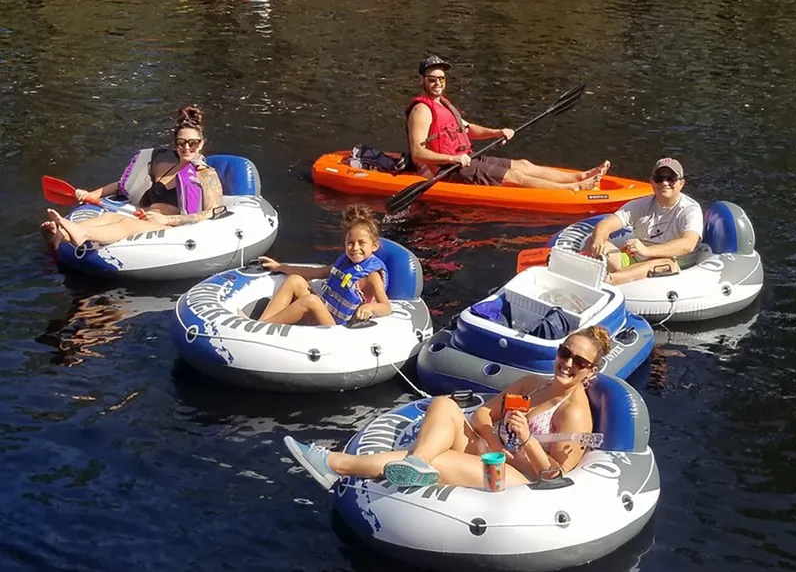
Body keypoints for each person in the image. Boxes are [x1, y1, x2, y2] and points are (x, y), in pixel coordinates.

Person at [284, 325, 612, 489]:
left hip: (516, 475)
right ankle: (419, 462)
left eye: (579, 361)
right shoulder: (532, 383)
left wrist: (525, 439)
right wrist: (494, 441)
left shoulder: (574, 412)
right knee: (443, 404)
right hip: (490, 450)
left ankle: (338, 465)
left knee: (443, 457)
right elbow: (485, 412)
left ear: (591, 371)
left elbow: (556, 476)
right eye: (564, 352)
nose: (567, 363)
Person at [406, 55, 610, 191]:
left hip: (464, 160)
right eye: (432, 79)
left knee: (523, 164)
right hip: (446, 170)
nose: (438, 83)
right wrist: (454, 159)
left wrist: (497, 132)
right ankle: (572, 189)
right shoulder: (421, 110)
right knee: (514, 176)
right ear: (421, 80)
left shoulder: (443, 104)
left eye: (442, 79)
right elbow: (418, 153)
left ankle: (578, 177)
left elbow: (467, 129)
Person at [39, 105, 224, 249]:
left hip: (174, 230)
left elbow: (213, 212)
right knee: (110, 217)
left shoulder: (206, 175)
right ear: (176, 144)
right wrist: (91, 194)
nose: (187, 147)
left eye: (193, 143)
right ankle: (61, 235)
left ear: (201, 144)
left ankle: (81, 234)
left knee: (126, 223)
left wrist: (166, 220)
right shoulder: (166, 166)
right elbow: (122, 186)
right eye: (181, 142)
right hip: (146, 218)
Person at [253, 204, 391, 326]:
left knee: (311, 301)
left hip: (339, 328)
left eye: (361, 243)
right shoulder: (345, 263)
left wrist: (370, 308)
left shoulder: (372, 276)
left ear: (374, 246)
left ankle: (260, 328)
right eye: (350, 242)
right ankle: (261, 323)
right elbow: (317, 272)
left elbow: (386, 307)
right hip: (327, 311)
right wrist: (280, 267)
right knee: (295, 280)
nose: (355, 248)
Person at [587, 157, 703, 285]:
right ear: (652, 181)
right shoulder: (639, 205)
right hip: (635, 261)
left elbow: (688, 244)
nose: (664, 183)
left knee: (666, 262)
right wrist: (598, 240)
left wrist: (647, 251)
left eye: (671, 179)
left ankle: (610, 281)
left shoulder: (690, 210)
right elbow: (606, 224)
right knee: (594, 240)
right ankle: (581, 273)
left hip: (673, 270)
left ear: (681, 183)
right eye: (659, 178)